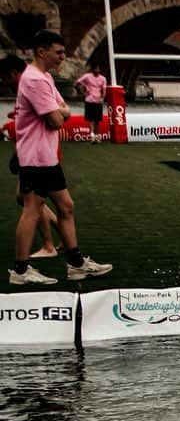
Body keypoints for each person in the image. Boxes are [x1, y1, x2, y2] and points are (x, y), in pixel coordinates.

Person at [8, 29, 112, 285]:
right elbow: (56, 119)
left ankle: (76, 264)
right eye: (59, 52)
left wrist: (61, 112)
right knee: (32, 209)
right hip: (36, 157)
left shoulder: (44, 77)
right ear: (42, 51)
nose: (63, 57)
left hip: (46, 157)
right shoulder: (34, 80)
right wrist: (61, 112)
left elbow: (63, 108)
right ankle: (20, 271)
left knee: (66, 207)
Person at [2, 55, 61, 260]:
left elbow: (55, 117)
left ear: (14, 74)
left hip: (38, 155)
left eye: (5, 78)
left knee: (33, 203)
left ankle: (47, 246)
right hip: (36, 153)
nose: (4, 82)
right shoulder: (36, 82)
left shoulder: (32, 83)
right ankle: (64, 242)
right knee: (53, 203)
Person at [74, 64, 107, 143]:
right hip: (89, 100)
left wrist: (103, 98)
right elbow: (76, 83)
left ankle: (97, 136)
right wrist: (82, 92)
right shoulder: (87, 76)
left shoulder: (103, 78)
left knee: (97, 120)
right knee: (91, 119)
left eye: (98, 69)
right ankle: (92, 136)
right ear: (92, 70)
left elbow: (104, 89)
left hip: (98, 101)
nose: (97, 70)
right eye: (96, 69)